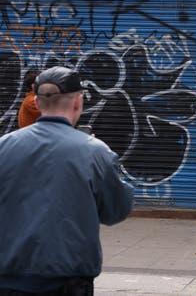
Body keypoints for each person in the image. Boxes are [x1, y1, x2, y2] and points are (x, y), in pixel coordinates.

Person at [0, 66, 134, 295]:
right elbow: (116, 211)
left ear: (38, 102)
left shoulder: (3, 146)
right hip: (67, 281)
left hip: (9, 279)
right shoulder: (95, 152)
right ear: (77, 102)